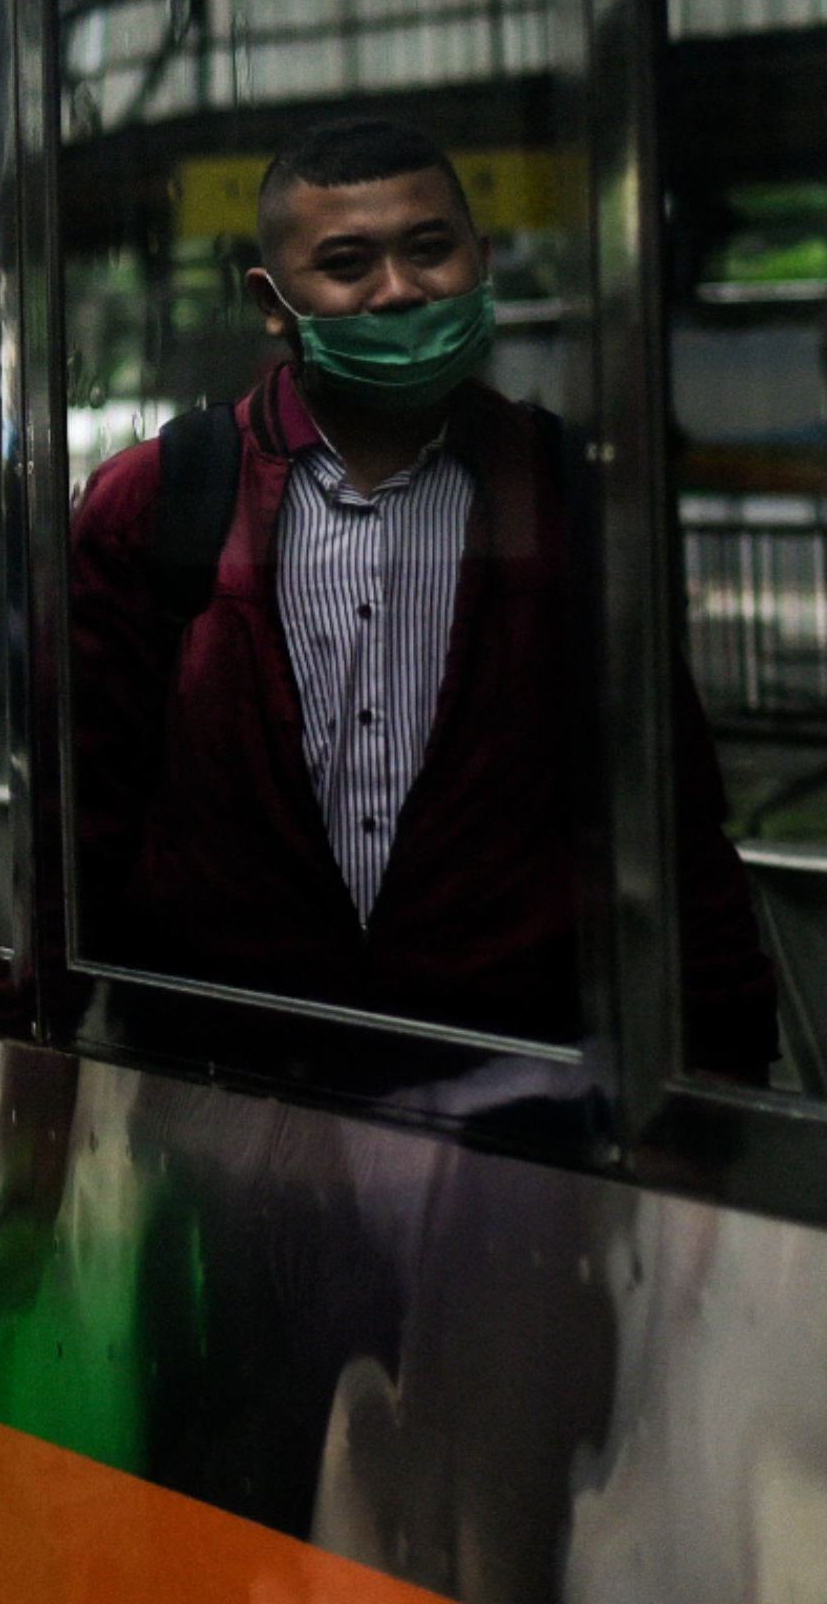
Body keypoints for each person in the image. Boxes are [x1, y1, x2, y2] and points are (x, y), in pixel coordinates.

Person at [68, 116, 774, 1070]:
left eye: (430, 249)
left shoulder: (568, 493)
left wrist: (727, 1067)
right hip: (231, 1081)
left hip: (516, 1088)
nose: (400, 290)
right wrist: (37, 1070)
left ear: (480, 260)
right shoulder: (157, 502)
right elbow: (86, 816)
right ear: (273, 302)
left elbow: (670, 809)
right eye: (348, 263)